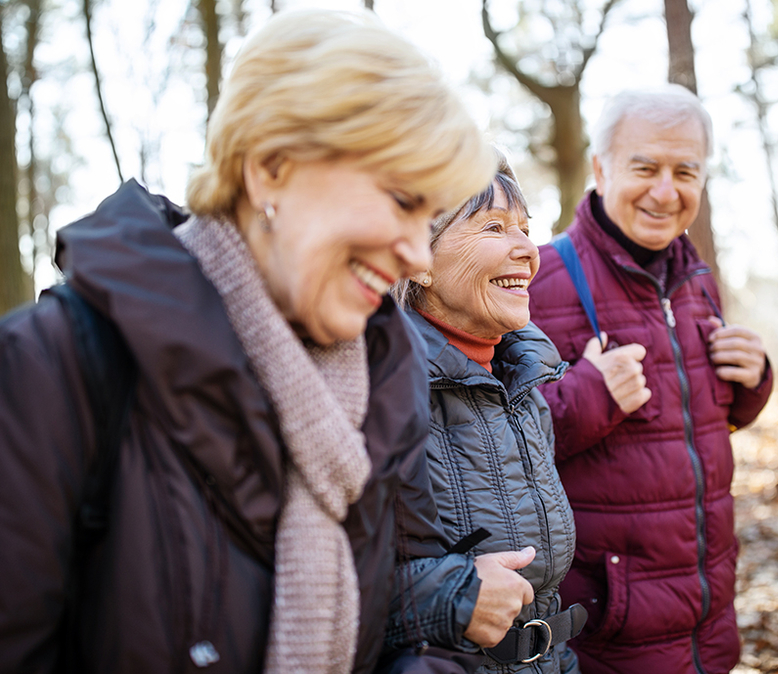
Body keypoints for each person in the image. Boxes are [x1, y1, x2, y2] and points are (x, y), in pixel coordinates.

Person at [0, 9, 497, 674]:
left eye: (429, 216)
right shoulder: (49, 367)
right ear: (270, 168)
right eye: (402, 200)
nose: (417, 255)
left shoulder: (387, 371)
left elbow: (411, 620)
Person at [527, 85, 774, 674]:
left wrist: (754, 381)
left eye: (686, 171)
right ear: (599, 167)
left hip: (709, 624)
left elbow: (689, 423)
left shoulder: (697, 281)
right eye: (646, 168)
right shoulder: (537, 281)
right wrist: (588, 395)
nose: (667, 192)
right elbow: (487, 451)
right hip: (607, 638)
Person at [389, 152, 586, 674]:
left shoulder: (523, 380)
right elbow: (314, 583)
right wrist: (450, 597)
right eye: (495, 227)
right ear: (420, 259)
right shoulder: (379, 387)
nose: (527, 249)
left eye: (526, 228)